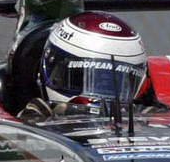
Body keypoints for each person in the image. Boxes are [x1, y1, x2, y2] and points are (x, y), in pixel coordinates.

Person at [16, 11, 148, 120]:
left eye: (113, 83)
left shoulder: (148, 115)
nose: (97, 99)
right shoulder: (33, 117)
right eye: (78, 78)